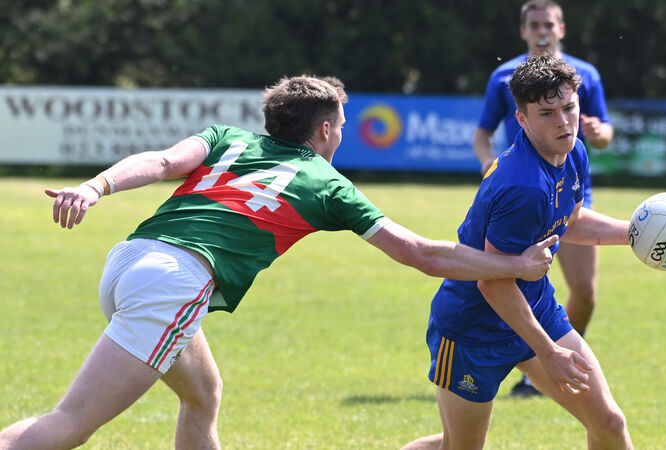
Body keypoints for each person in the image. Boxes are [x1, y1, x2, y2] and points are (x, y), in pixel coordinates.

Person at [0, 75, 561, 450]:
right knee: (70, 424)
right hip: (174, 283)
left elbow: (164, 161)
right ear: (324, 129)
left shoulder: (228, 138)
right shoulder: (327, 183)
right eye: (341, 125)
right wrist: (514, 264)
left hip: (131, 258)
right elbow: (420, 253)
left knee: (203, 395)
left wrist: (95, 186)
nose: (343, 134)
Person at [403, 54, 633, 449]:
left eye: (569, 108)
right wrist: (548, 353)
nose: (563, 122)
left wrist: (637, 233)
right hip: (473, 328)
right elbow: (494, 283)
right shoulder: (522, 187)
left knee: (609, 423)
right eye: (547, 113)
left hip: (534, 307)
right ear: (521, 119)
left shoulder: (574, 152)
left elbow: (571, 222)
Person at [473, 0, 614, 397]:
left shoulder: (584, 75)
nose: (542, 31)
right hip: (527, 194)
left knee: (585, 292)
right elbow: (482, 133)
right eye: (534, 25)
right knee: (514, 285)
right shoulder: (504, 77)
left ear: (561, 29)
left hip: (573, 195)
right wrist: (488, 164)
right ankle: (535, 369)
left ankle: (555, 362)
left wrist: (598, 132)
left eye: (548, 24)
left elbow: (604, 134)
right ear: (523, 31)